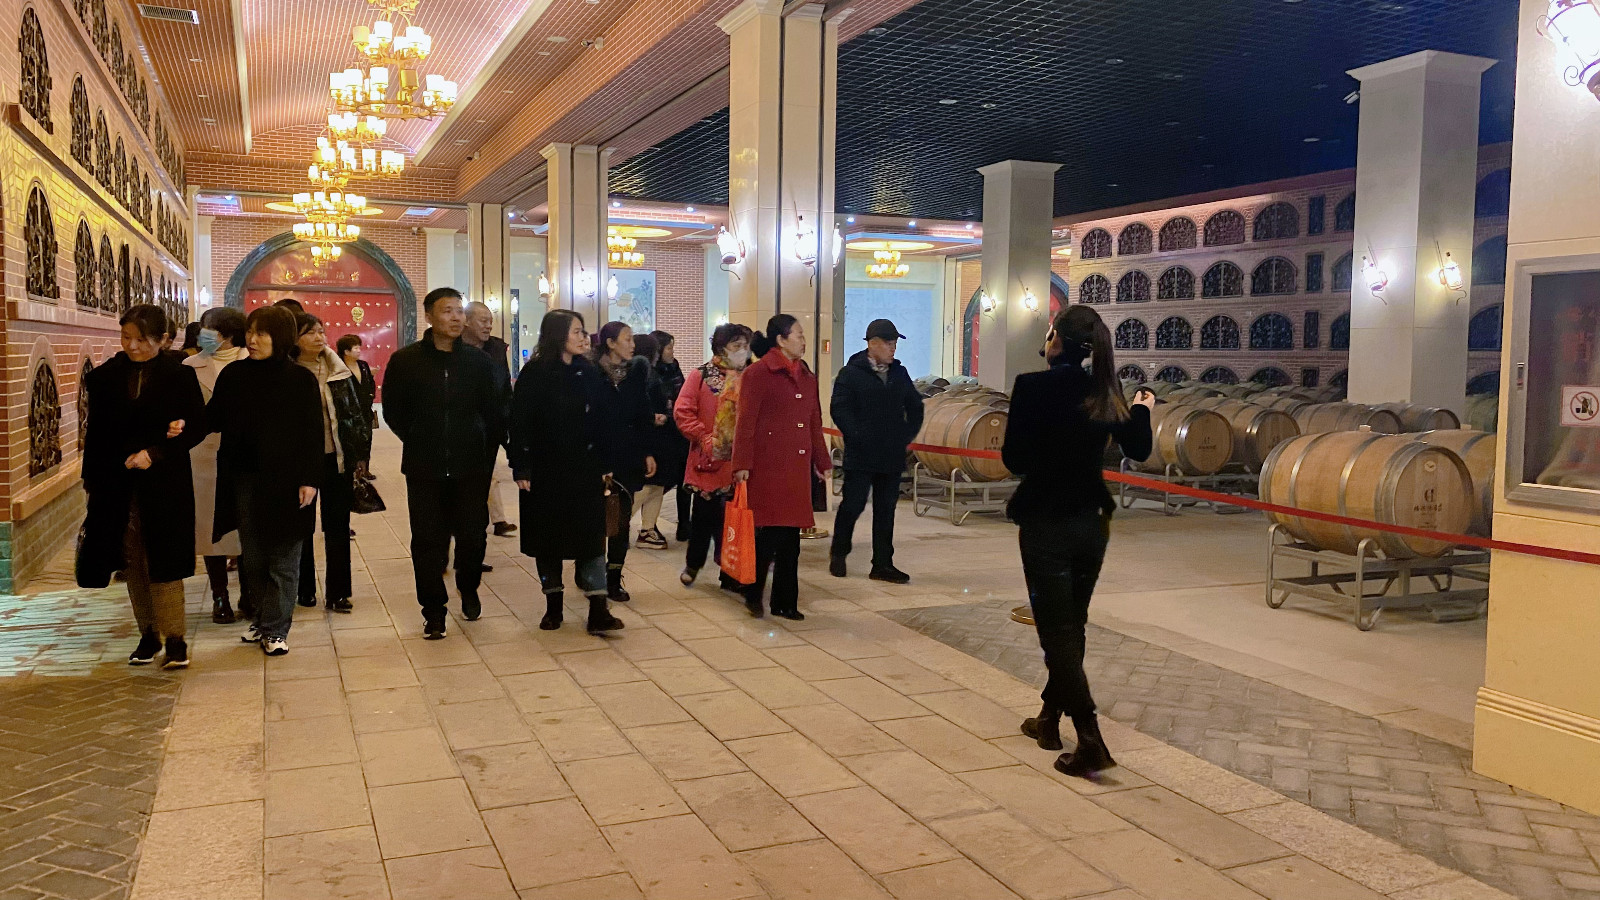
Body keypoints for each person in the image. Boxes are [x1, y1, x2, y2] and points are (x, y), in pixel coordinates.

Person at [1003, 305, 1154, 778]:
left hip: (1046, 521)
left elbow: (1014, 460)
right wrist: (1143, 409)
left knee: (1056, 632)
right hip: (1092, 523)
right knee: (1073, 624)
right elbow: (1139, 449)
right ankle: (1049, 719)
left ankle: (1090, 738)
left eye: (1049, 334)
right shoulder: (1105, 390)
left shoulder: (1032, 387)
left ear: (1057, 342)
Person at [80, 304, 205, 669]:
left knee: (164, 559)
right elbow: (95, 435)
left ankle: (176, 639)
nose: (132, 346)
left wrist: (156, 452)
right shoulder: (105, 377)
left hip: (164, 482)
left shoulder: (179, 375)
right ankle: (148, 635)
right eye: (126, 338)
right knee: (132, 560)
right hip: (117, 485)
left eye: (142, 339)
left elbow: (197, 425)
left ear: (163, 339)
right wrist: (92, 483)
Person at [202, 305, 324, 657]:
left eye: (262, 333)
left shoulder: (300, 379)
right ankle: (261, 619)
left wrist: (310, 479)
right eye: (250, 332)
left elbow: (312, 434)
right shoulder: (235, 375)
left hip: (288, 482)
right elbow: (212, 418)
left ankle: (275, 629)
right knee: (252, 558)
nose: (252, 340)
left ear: (280, 337)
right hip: (244, 480)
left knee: (284, 558)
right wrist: (178, 426)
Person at [382, 287, 504, 639]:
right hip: (424, 467)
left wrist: (479, 443)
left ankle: (468, 587)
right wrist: (419, 437)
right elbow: (394, 411)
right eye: (447, 310)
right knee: (426, 540)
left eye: (459, 311)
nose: (455, 317)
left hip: (470, 466)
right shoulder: (406, 361)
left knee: (472, 536)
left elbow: (492, 410)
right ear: (429, 316)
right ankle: (433, 610)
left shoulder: (478, 363)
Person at [509, 309, 625, 634]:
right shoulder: (535, 373)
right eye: (576, 331)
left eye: (583, 331)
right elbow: (520, 423)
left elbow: (603, 420)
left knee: (591, 539)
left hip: (585, 470)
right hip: (545, 471)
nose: (583, 337)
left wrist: (606, 464)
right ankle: (553, 606)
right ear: (557, 335)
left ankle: (599, 609)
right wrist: (521, 466)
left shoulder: (589, 371)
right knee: (548, 540)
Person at [732, 315, 830, 620]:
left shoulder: (807, 375)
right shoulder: (758, 373)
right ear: (781, 340)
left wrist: (822, 460)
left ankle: (785, 602)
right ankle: (753, 593)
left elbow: (814, 422)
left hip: (796, 468)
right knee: (769, 534)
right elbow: (745, 421)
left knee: (791, 539)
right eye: (798, 335)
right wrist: (741, 463)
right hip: (768, 465)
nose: (803, 341)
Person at [829, 319, 924, 584]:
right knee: (853, 505)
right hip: (861, 455)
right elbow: (840, 409)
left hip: (890, 455)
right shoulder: (851, 373)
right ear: (873, 344)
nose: (894, 349)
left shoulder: (899, 373)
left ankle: (883, 564)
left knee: (886, 510)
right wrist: (857, 435)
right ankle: (839, 552)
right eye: (889, 343)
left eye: (895, 344)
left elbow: (915, 406)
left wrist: (905, 435)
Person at [294, 313, 373, 614]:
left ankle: (339, 592)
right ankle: (304, 588)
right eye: (310, 332)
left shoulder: (337, 369)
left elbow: (354, 414)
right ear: (295, 337)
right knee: (302, 527)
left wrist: (359, 455)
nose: (319, 337)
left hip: (335, 458)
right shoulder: (289, 371)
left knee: (338, 526)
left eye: (321, 331)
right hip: (301, 462)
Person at [673, 323, 752, 590]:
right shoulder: (701, 375)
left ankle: (729, 571)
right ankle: (693, 564)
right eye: (736, 346)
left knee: (733, 519)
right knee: (704, 518)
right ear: (721, 348)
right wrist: (704, 436)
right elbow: (683, 411)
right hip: (708, 461)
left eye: (745, 346)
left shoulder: (751, 376)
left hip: (740, 461)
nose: (742, 351)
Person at [185, 306, 248, 623]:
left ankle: (249, 593)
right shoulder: (189, 366)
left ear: (227, 335)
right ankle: (220, 596)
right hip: (204, 456)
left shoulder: (252, 363)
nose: (202, 335)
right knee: (211, 530)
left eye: (208, 329)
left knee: (246, 526)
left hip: (245, 456)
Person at [590, 322, 656, 602]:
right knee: (596, 522)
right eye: (627, 339)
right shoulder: (592, 375)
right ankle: (590, 573)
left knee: (618, 522)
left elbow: (644, 416)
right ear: (610, 343)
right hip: (597, 459)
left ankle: (614, 578)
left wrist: (647, 451)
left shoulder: (635, 375)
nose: (633, 345)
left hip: (627, 459)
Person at [463, 300, 517, 539]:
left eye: (490, 321)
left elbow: (504, 388)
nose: (488, 326)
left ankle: (485, 530)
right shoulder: (453, 348)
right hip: (462, 430)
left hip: (490, 429)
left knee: (486, 479)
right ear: (466, 322)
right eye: (483, 321)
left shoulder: (496, 349)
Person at [651, 330, 692, 542]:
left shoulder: (674, 368)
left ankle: (684, 524)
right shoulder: (650, 372)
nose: (672, 352)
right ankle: (648, 524)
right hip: (660, 433)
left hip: (679, 430)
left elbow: (683, 394)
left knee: (684, 478)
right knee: (660, 482)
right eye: (669, 347)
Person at [337, 334, 377, 438]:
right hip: (347, 416)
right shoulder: (339, 367)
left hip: (365, 411)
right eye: (356, 348)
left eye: (359, 348)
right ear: (346, 351)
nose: (359, 351)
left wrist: (370, 397)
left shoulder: (363, 365)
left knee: (366, 439)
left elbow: (371, 383)